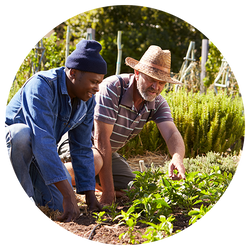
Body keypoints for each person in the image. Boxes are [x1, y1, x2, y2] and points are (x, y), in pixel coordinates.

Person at [65, 45, 186, 206]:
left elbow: (171, 133)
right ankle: (46, 175)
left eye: (161, 82)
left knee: (135, 189)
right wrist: (108, 194)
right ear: (137, 73)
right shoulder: (113, 88)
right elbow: (101, 140)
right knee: (94, 162)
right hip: (77, 144)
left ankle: (87, 184)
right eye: (151, 79)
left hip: (106, 152)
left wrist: (177, 157)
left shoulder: (156, 102)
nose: (156, 87)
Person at [2, 39, 106, 222]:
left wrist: (90, 196)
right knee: (21, 134)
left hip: (37, 152)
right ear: (73, 73)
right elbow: (43, 141)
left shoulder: (87, 100)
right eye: (93, 82)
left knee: (57, 206)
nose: (97, 88)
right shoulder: (42, 86)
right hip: (11, 144)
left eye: (100, 83)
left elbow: (81, 147)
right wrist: (69, 195)